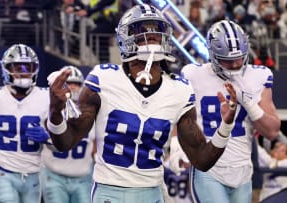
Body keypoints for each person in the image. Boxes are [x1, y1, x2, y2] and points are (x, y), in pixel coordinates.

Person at [47, 4, 238, 203]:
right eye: (144, 30)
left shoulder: (180, 90)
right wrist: (55, 111)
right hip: (109, 193)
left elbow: (202, 160)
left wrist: (226, 126)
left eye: (157, 30)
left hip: (152, 193)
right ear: (126, 37)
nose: (152, 35)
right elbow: (65, 142)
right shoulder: (103, 79)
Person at [176, 20, 281, 203]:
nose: (234, 65)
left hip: (243, 169)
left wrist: (248, 102)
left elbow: (272, 131)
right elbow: (179, 118)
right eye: (227, 60)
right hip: (209, 169)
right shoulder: (193, 75)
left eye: (239, 58)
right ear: (213, 55)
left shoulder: (258, 76)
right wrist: (178, 146)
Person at [0, 43, 50, 203]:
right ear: (6, 69)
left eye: (28, 67)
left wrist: (48, 137)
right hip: (3, 171)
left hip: (33, 172)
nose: (24, 72)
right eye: (18, 67)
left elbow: (59, 141)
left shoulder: (46, 97)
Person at [41, 65, 95, 203]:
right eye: (68, 83)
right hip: (54, 175)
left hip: (83, 177)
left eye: (76, 84)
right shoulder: (48, 110)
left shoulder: (90, 114)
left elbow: (95, 147)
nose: (72, 87)